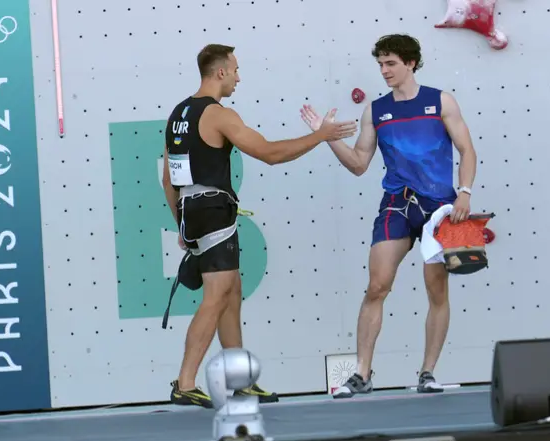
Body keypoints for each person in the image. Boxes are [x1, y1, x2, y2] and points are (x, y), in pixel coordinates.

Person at [163, 43, 358, 407]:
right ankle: (185, 382)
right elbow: (269, 154)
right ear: (220, 72)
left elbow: (167, 179)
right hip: (214, 210)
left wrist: (183, 225)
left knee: (231, 292)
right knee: (217, 296)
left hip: (192, 211)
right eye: (235, 69)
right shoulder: (220, 115)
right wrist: (321, 135)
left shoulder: (179, 113)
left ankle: (238, 381)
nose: (239, 76)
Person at [299, 34, 477, 398]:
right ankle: (361, 374)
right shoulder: (376, 110)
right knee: (377, 286)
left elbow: (467, 150)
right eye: (380, 64)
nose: (384, 71)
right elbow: (359, 165)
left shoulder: (440, 101)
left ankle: (428, 372)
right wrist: (326, 137)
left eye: (391, 63)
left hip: (439, 209)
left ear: (411, 63)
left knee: (436, 290)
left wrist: (465, 193)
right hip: (397, 204)